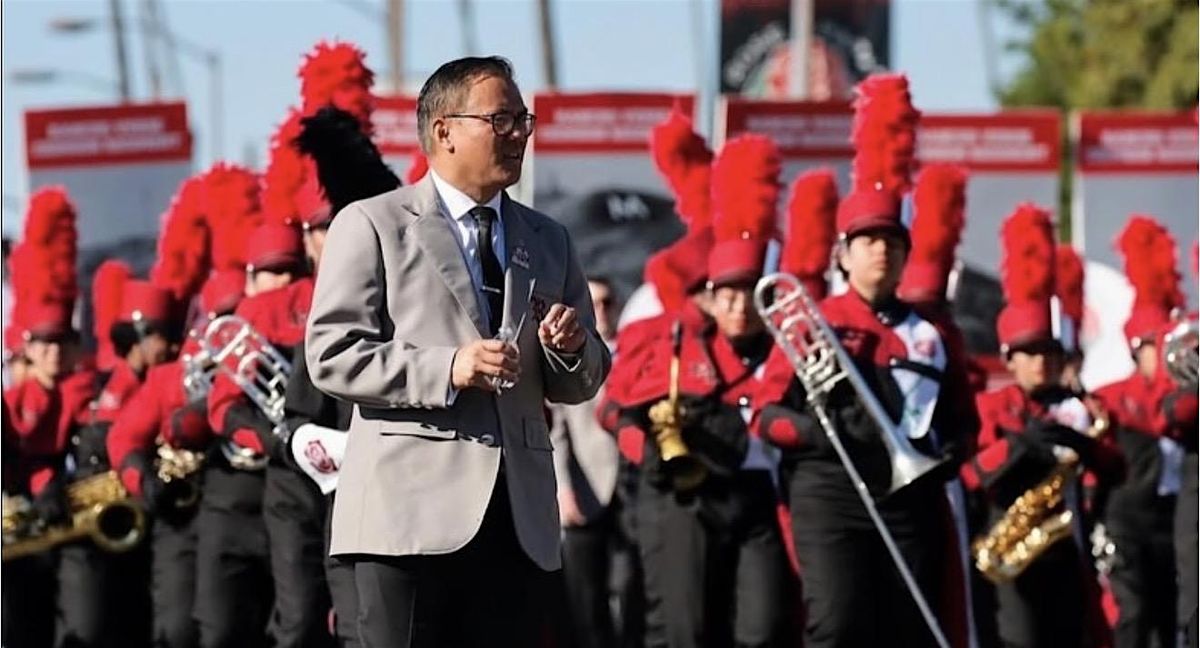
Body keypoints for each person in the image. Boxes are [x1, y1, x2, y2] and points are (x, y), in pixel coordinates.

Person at [305, 55, 610, 648]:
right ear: (443, 130)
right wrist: (448, 367)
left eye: (524, 120)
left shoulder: (550, 238)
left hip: (518, 521)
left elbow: (584, 379)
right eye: (502, 120)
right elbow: (332, 353)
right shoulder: (372, 223)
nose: (519, 133)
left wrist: (571, 349)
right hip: (407, 519)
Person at [759, 187, 978, 647]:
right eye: (868, 241)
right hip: (830, 491)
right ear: (844, 255)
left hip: (909, 494)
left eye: (893, 242)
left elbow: (963, 419)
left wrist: (951, 454)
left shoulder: (932, 333)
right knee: (839, 623)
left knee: (906, 626)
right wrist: (816, 433)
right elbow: (767, 417)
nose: (882, 250)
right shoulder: (811, 321)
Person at [619, 134, 791, 648]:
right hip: (686, 497)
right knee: (687, 631)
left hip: (760, 497)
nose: (739, 305)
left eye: (750, 291)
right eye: (725, 292)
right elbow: (615, 411)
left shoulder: (788, 342)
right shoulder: (670, 338)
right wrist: (649, 450)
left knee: (762, 630)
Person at [960, 204, 1123, 648]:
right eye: (1031, 353)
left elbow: (1116, 468)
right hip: (1011, 548)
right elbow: (972, 475)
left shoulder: (1079, 406)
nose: (1042, 363)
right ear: (1009, 358)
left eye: (1051, 353)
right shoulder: (993, 405)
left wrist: (1083, 444)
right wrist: (1019, 448)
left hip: (1068, 549)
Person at [2, 188, 93, 648]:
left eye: (63, 342)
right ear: (26, 348)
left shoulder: (90, 391)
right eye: (44, 344)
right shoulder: (15, 398)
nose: (54, 353)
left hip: (78, 520)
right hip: (19, 525)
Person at [1093, 216, 1187, 648]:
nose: (1164, 353)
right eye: (1155, 344)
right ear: (1137, 349)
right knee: (1133, 612)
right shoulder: (1115, 396)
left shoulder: (1189, 391)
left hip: (1174, 521)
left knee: (1173, 615)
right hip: (1129, 519)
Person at [549, 276, 625, 648]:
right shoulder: (570, 359)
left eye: (608, 301)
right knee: (586, 597)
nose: (603, 311)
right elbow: (557, 430)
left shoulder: (637, 347)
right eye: (593, 304)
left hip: (634, 485)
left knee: (635, 586)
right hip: (586, 485)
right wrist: (563, 488)